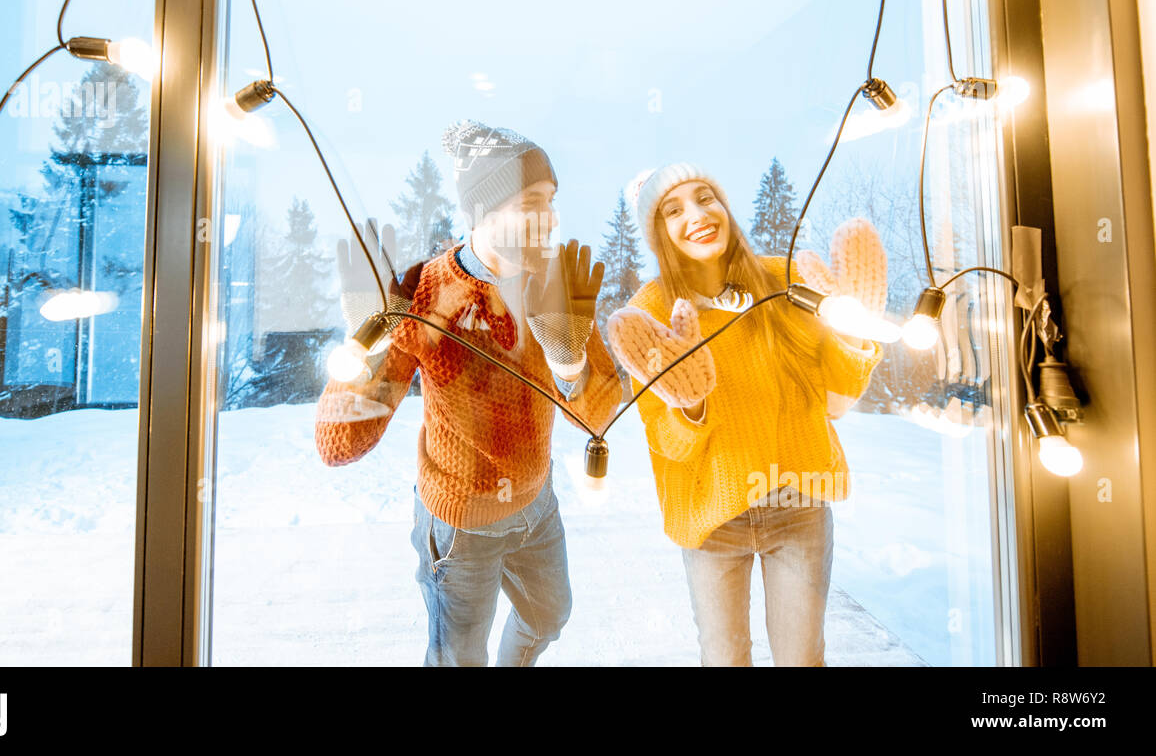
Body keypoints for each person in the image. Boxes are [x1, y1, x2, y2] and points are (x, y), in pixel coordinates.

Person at [315, 120, 622, 666]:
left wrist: (567, 356)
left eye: (552, 199)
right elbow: (340, 445)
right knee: (459, 657)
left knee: (549, 615)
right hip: (461, 524)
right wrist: (365, 337)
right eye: (531, 200)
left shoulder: (553, 285)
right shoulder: (426, 293)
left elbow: (599, 417)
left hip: (537, 505)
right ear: (484, 209)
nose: (549, 218)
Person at [605, 162, 885, 666]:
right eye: (674, 209)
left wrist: (857, 332)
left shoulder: (786, 282)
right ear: (658, 234)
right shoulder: (650, 313)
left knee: (802, 658)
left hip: (798, 502)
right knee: (725, 658)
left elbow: (839, 394)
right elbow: (666, 441)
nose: (697, 213)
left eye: (706, 196)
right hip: (713, 517)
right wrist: (689, 400)